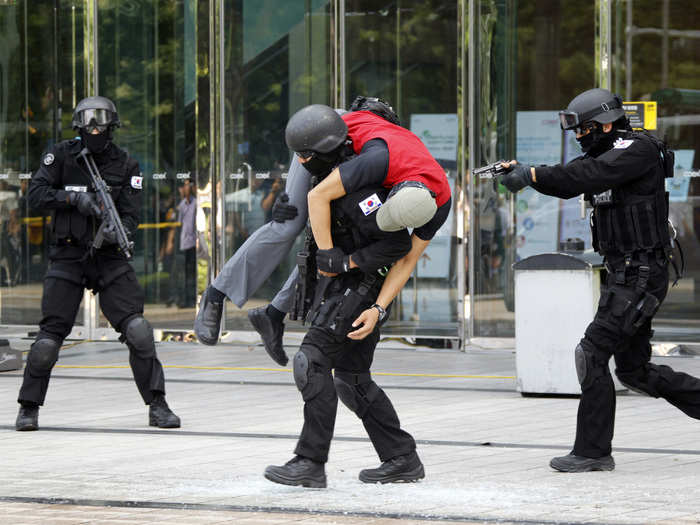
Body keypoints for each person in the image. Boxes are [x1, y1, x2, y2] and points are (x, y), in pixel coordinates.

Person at [499, 87, 697, 472]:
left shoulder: (635, 149)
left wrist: (531, 174)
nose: (578, 137)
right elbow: (577, 175)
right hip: (625, 273)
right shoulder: (606, 151)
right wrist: (524, 171)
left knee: (591, 353)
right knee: (634, 372)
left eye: (584, 129)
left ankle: (592, 452)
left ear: (606, 122)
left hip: (640, 275)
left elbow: (585, 176)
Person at [209, 100, 452, 365]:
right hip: (322, 130)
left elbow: (406, 260)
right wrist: (328, 257)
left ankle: (273, 315)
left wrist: (378, 309)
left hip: (371, 143)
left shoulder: (442, 202)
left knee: (348, 232)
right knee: (290, 222)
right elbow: (317, 196)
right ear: (393, 192)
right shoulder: (375, 162)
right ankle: (215, 295)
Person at [15, 96, 180, 431]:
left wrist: (116, 230)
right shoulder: (61, 155)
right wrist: (73, 199)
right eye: (88, 124)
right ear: (78, 126)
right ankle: (29, 407)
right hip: (68, 254)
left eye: (101, 124)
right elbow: (35, 194)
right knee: (48, 340)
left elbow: (132, 215)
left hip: (109, 257)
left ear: (112, 126)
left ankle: (158, 404)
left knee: (138, 331)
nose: (94, 129)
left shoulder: (126, 164)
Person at [263, 183, 423, 488]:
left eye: (306, 154)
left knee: (310, 362)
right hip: (346, 289)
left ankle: (310, 462)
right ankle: (402, 457)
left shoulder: (360, 187)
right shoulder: (322, 178)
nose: (301, 160)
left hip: (359, 290)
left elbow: (397, 245)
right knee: (352, 379)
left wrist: (347, 263)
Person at [177, 179, 197, 308]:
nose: (186, 188)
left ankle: (192, 299)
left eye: (188, 186)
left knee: (193, 271)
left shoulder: (197, 203)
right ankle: (185, 299)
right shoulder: (182, 204)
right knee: (184, 271)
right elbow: (179, 223)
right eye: (185, 186)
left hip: (195, 242)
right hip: (184, 242)